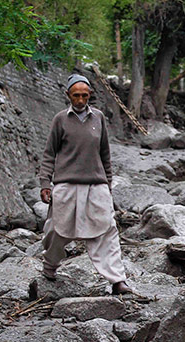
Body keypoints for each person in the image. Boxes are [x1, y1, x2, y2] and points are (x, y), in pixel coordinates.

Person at [39, 73, 133, 295]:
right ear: (68, 95)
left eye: (84, 95)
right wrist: (45, 183)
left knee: (107, 230)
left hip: (96, 185)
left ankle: (117, 280)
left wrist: (107, 186)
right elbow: (49, 154)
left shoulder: (98, 118)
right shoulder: (60, 120)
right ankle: (49, 267)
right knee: (57, 230)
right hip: (66, 185)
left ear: (90, 95)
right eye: (75, 96)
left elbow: (105, 155)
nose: (80, 100)